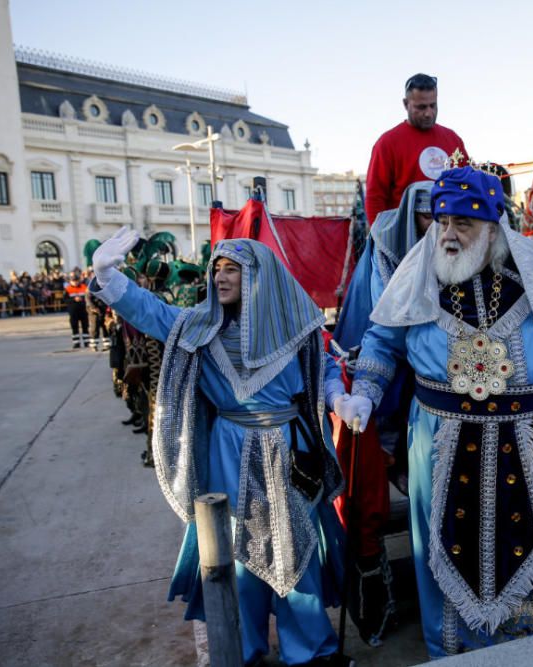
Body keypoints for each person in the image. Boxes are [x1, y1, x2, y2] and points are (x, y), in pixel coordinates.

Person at [333, 166, 533, 658]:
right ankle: (464, 645)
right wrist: (365, 391)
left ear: (493, 227)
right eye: (442, 221)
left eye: (463, 223)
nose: (448, 234)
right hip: (443, 439)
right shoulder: (416, 276)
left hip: (527, 436)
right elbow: (383, 339)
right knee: (449, 539)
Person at [89, 230, 351, 667]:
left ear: (259, 276)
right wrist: (110, 279)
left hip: (289, 452)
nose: (220, 276)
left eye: (233, 269)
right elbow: (152, 312)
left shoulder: (297, 326)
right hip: (228, 450)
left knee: (295, 550)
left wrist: (339, 397)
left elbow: (322, 370)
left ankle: (310, 653)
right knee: (235, 556)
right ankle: (241, 650)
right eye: (217, 268)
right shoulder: (199, 326)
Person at [325, 181, 434, 645]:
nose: (437, 224)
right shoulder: (387, 250)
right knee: (373, 477)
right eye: (427, 215)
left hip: (434, 386)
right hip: (385, 384)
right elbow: (382, 326)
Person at [365, 73, 468, 224]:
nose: (428, 113)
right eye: (421, 107)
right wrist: (382, 239)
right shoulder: (387, 143)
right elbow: (375, 197)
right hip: (405, 237)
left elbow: (467, 185)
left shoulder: (453, 139)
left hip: (449, 231)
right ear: (406, 104)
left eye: (433, 106)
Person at [64, 272, 90, 348]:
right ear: (70, 281)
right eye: (73, 281)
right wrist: (74, 299)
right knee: (74, 326)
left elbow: (88, 297)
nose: (75, 282)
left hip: (83, 310)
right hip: (73, 311)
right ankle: (76, 343)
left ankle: (86, 342)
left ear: (79, 280)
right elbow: (65, 300)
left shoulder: (84, 287)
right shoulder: (68, 289)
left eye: (76, 281)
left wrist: (82, 299)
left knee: (85, 326)